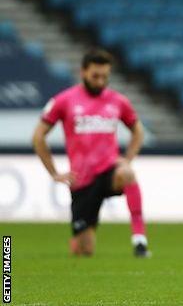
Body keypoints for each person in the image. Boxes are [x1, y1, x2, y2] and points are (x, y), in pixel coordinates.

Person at [32, 49, 150, 257]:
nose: (100, 81)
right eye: (95, 76)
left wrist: (127, 160)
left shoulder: (118, 101)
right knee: (83, 250)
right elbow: (38, 136)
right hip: (82, 180)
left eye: (105, 76)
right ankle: (79, 242)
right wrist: (54, 173)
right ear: (83, 72)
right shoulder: (64, 100)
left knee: (128, 174)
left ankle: (139, 240)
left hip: (109, 170)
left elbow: (138, 131)